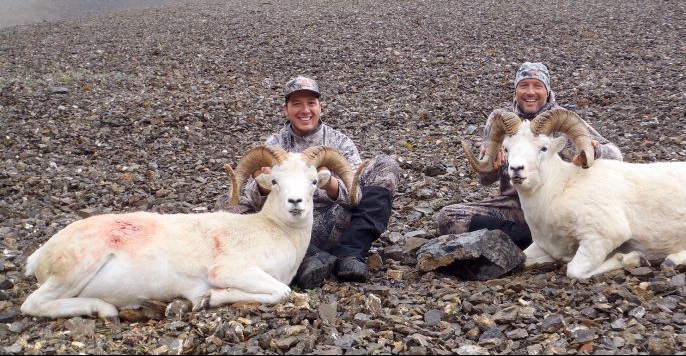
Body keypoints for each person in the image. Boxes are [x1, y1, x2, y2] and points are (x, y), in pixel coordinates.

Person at [218, 76, 400, 288]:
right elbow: (252, 201)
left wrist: (329, 183)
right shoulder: (274, 145)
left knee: (385, 165)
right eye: (297, 104)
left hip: (336, 222)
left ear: (320, 107)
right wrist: (262, 183)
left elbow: (355, 196)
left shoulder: (339, 142)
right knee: (226, 207)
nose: (305, 110)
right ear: (285, 110)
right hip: (289, 226)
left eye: (311, 103)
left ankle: (349, 254)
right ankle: (309, 257)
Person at [435, 62, 623, 248]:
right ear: (516, 90)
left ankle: (524, 242)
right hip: (514, 205)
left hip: (558, 204)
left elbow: (615, 154)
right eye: (524, 85)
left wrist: (592, 151)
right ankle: (537, 241)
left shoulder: (562, 119)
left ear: (547, 91)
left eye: (537, 86)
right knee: (449, 218)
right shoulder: (501, 119)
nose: (530, 92)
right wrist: (491, 164)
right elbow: (484, 179)